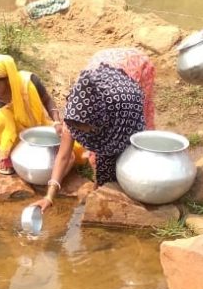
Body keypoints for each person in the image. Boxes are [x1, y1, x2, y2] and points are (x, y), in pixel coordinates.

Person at [30, 60, 146, 212]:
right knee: (104, 168)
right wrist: (49, 197)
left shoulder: (122, 113)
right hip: (99, 82)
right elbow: (63, 156)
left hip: (125, 93)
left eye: (83, 127)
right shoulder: (75, 114)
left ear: (98, 119)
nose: (78, 131)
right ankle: (101, 188)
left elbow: (111, 144)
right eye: (75, 127)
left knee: (123, 157)